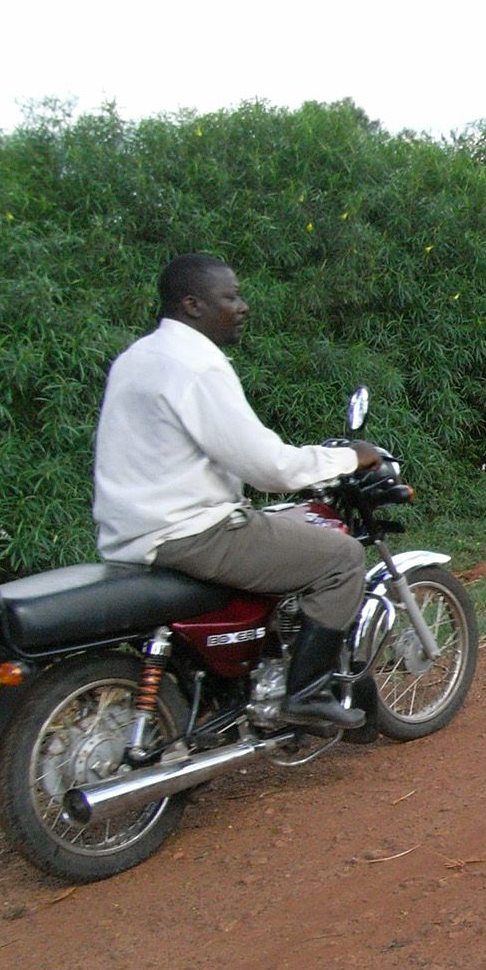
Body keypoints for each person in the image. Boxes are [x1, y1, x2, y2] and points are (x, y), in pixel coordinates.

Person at [93, 253, 382, 730]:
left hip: (131, 534)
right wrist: (349, 457)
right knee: (341, 557)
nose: (242, 306)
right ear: (192, 305)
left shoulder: (137, 357)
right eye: (229, 297)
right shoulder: (197, 366)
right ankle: (307, 694)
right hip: (192, 533)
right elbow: (267, 466)